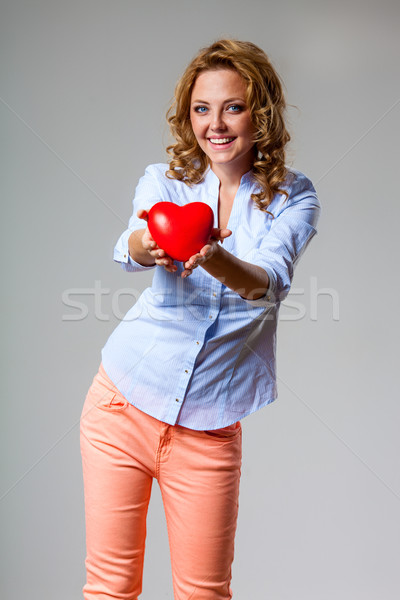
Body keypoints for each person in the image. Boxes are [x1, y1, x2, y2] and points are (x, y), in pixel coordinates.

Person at [79, 39, 321, 600]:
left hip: (209, 428)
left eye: (232, 107)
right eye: (201, 108)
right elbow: (131, 243)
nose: (216, 123)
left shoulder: (294, 197)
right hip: (120, 406)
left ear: (259, 113)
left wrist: (214, 256)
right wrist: (150, 244)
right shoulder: (164, 180)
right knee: (110, 588)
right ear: (188, 117)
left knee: (204, 594)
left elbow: (269, 284)